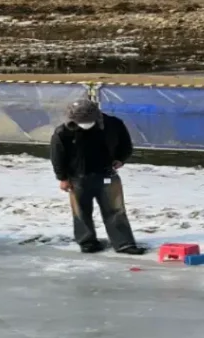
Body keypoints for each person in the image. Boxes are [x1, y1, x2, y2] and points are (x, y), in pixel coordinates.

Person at [50, 100, 145, 255]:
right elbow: (57, 156)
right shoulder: (63, 131)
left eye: (88, 120)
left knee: (115, 210)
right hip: (78, 178)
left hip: (107, 175)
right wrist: (63, 178)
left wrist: (120, 159)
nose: (84, 124)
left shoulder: (113, 125)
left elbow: (126, 144)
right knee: (81, 212)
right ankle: (87, 242)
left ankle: (124, 244)